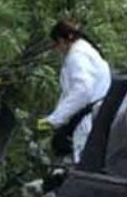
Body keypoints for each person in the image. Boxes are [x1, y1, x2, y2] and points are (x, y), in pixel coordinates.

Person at [40, 21, 112, 163]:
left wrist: (55, 119)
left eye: (55, 45)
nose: (56, 50)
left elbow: (82, 91)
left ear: (61, 41)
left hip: (86, 120)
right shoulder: (87, 51)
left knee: (84, 165)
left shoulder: (77, 56)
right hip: (95, 116)